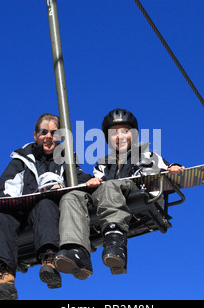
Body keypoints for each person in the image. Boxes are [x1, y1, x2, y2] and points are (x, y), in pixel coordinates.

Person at [54, 108, 185, 279]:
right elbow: (98, 185)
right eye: (114, 133)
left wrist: (173, 168)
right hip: (108, 198)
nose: (120, 137)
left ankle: (115, 241)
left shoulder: (147, 155)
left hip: (136, 192)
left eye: (125, 131)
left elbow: (165, 168)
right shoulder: (102, 164)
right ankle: (77, 251)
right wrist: (92, 182)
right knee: (71, 197)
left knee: (110, 187)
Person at [0, 113, 91, 300]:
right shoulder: (22, 160)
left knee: (45, 203)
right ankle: (4, 275)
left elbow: (79, 179)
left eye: (54, 132)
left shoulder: (66, 160)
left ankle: (49, 260)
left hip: (48, 213)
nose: (49, 136)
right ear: (35, 135)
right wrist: (11, 198)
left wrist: (87, 183)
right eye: (44, 132)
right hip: (22, 212)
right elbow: (6, 186)